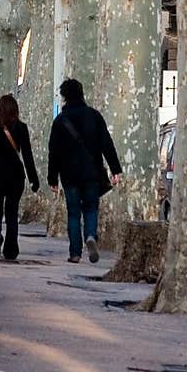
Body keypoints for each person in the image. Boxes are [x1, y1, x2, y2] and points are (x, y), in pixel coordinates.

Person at [47, 78, 122, 264]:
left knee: (73, 212)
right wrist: (115, 169)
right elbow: (107, 144)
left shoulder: (60, 121)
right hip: (92, 173)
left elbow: (53, 151)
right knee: (91, 208)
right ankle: (90, 235)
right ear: (82, 94)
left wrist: (52, 178)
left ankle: (75, 252)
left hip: (69, 175)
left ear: (64, 97)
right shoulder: (94, 116)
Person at [0, 94, 40, 261]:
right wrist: (33, 179)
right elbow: (27, 155)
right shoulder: (21, 128)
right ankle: (11, 247)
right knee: (12, 212)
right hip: (15, 177)